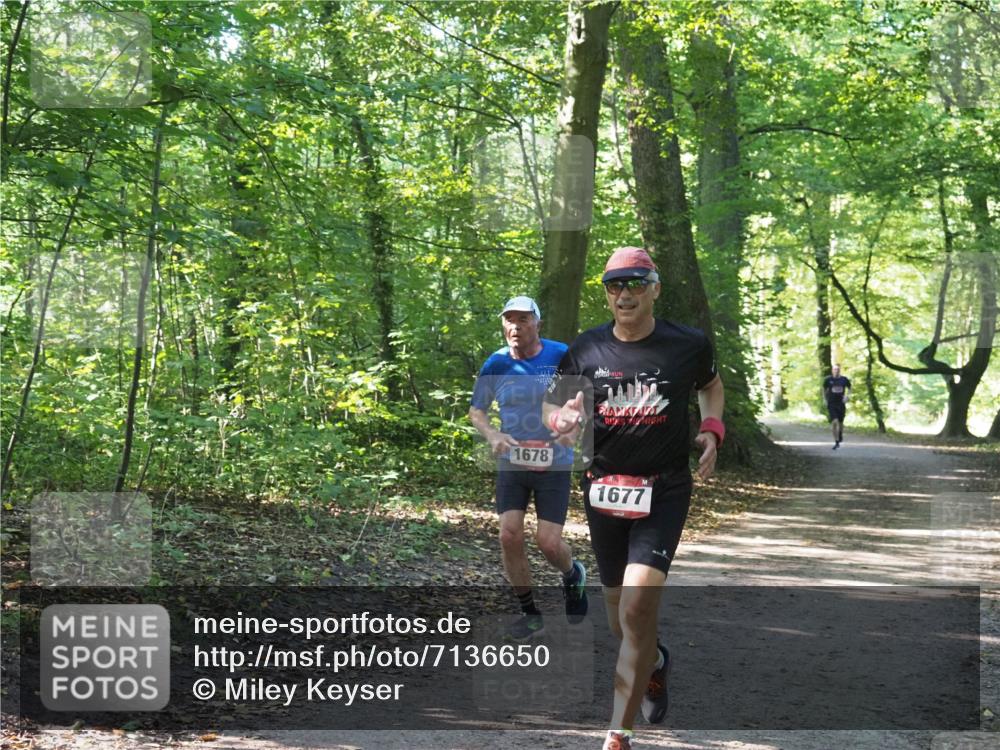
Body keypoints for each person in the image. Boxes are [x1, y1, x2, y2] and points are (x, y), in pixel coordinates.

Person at [543, 248, 725, 750]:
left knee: (638, 605)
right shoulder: (585, 348)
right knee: (620, 622)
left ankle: (618, 732)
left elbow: (711, 386)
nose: (624, 294)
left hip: (663, 489)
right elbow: (552, 407)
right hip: (604, 490)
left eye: (636, 284)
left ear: (655, 288)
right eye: (615, 286)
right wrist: (561, 420)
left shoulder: (687, 344)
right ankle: (655, 661)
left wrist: (712, 428)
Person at [469, 295, 588, 641]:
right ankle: (530, 614)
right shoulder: (496, 363)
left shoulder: (561, 354)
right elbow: (477, 410)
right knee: (509, 535)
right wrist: (493, 434)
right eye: (509, 319)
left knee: (548, 543)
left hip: (554, 462)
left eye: (523, 319)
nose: (515, 326)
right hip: (512, 461)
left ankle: (572, 573)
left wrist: (573, 430)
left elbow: (582, 401)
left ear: (538, 323)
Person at [822, 364, 852, 449]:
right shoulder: (828, 380)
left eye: (838, 369)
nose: (836, 371)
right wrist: (824, 399)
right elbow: (823, 389)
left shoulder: (844, 379)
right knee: (834, 421)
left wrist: (847, 396)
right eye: (835, 369)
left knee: (840, 423)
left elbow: (850, 388)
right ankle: (836, 441)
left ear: (840, 370)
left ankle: (840, 434)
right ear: (832, 370)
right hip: (831, 403)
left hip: (841, 403)